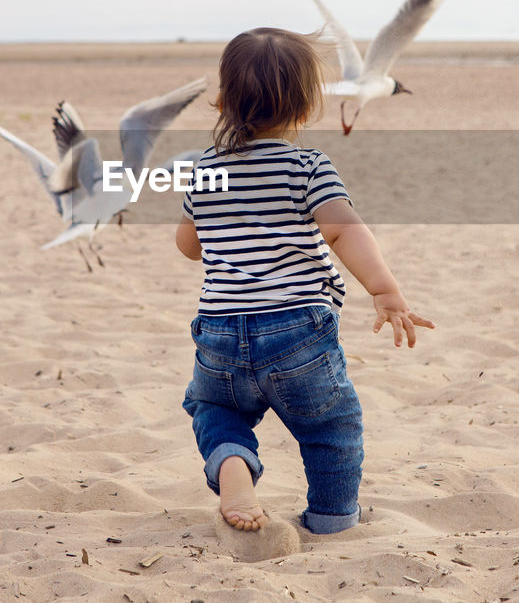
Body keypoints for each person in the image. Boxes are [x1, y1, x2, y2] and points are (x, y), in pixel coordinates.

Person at [175, 27, 434, 535]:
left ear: (222, 102)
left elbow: (189, 246)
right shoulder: (308, 164)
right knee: (331, 428)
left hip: (220, 332)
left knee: (212, 406)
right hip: (297, 331)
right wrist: (384, 291)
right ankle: (333, 519)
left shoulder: (204, 169)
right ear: (305, 107)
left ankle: (231, 465)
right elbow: (342, 229)